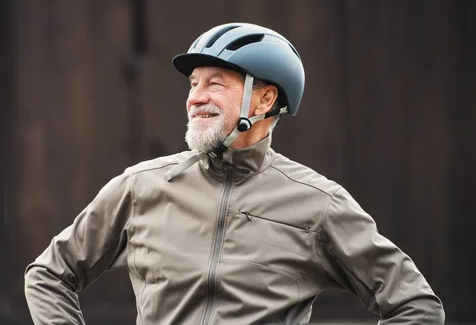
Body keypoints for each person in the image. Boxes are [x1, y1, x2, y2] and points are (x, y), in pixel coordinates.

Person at [24, 23, 445, 324]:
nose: (196, 98)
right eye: (193, 83)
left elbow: (416, 307)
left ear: (263, 100)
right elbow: (49, 274)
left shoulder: (319, 205)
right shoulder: (141, 187)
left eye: (216, 83)